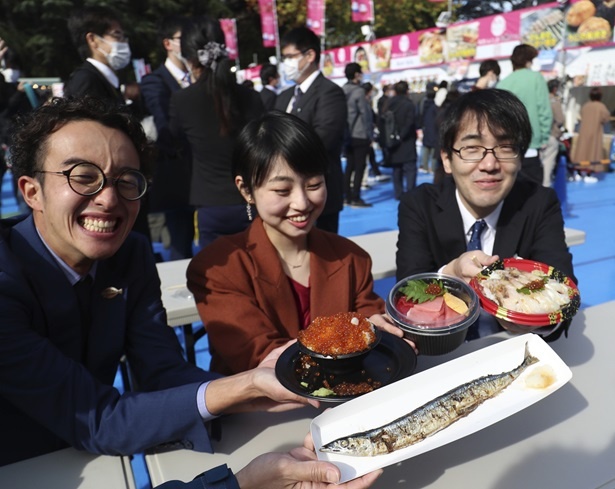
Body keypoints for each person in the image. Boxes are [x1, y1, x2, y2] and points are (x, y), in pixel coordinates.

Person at [0, 96, 325, 468]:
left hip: (97, 457)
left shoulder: (130, 256)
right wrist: (242, 386)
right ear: (31, 192)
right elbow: (96, 417)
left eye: (126, 181)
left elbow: (161, 368)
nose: (108, 199)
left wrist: (245, 388)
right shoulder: (6, 279)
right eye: (83, 177)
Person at [186, 112, 407, 375]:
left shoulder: (351, 257)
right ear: (246, 190)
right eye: (282, 191)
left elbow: (367, 315)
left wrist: (376, 326)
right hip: (263, 410)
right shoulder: (217, 269)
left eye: (314, 184)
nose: (302, 203)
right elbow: (256, 354)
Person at [396, 89, 576, 339]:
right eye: (471, 148)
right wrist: (451, 274)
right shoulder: (419, 205)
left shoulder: (539, 203)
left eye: (505, 147)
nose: (489, 164)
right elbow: (407, 293)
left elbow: (564, 289)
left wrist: (536, 322)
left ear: (520, 158)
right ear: (447, 159)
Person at [169, 16, 264, 250]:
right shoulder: (251, 97)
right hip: (252, 201)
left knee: (217, 279)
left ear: (189, 56)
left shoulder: (182, 100)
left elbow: (173, 142)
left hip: (210, 204)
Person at [275, 26, 346, 234]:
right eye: (284, 57)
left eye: (290, 56)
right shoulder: (284, 96)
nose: (286, 63)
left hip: (317, 196)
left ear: (310, 55)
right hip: (284, 196)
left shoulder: (329, 93)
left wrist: (282, 155)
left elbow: (323, 139)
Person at [140, 16, 195, 260]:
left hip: (207, 178)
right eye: (184, 39)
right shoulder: (154, 81)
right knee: (179, 246)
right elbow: (165, 126)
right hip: (177, 179)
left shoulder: (201, 77)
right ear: (168, 44)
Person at [497, 44, 552, 185]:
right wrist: (544, 137)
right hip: (531, 144)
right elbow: (544, 111)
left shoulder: (503, 83)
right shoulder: (536, 78)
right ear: (529, 60)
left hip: (507, 146)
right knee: (533, 194)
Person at [64, 6, 130, 104]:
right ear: (92, 39)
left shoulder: (105, 78)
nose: (123, 42)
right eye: (117, 34)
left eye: (123, 36)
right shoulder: (86, 80)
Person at [342, 62, 373, 208]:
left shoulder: (342, 90)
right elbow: (365, 114)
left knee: (349, 166)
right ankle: (356, 197)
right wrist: (370, 135)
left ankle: (346, 195)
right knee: (360, 166)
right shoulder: (359, 92)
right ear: (356, 74)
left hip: (346, 134)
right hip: (359, 133)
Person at [387, 80, 418, 200]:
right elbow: (410, 122)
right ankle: (411, 193)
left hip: (392, 139)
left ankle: (398, 193)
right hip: (407, 139)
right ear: (406, 90)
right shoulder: (409, 104)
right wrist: (402, 135)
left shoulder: (389, 103)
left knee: (397, 168)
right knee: (410, 168)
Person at [571, 87, 611, 164]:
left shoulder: (585, 106)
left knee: (582, 151)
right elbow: (606, 118)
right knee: (593, 153)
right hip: (595, 133)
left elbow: (581, 115)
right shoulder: (601, 107)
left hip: (584, 133)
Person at [542, 78, 565, 187]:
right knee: (548, 165)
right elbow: (560, 119)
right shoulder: (554, 101)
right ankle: (545, 190)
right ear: (555, 89)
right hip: (551, 135)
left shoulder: (540, 99)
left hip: (538, 136)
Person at [418, 82, 438, 174]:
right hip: (433, 126)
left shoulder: (423, 101)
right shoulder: (436, 101)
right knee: (434, 147)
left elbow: (419, 114)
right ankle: (433, 167)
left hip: (426, 126)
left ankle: (424, 165)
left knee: (426, 147)